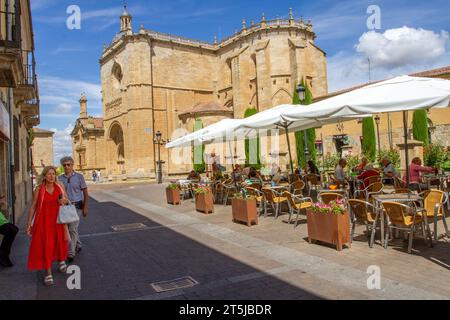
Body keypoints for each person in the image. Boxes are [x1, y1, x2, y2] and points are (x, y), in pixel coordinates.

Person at [26, 166, 70, 286]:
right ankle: (48, 272)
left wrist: (63, 201)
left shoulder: (59, 186)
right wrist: (29, 224)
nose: (52, 176)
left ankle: (61, 259)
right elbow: (33, 207)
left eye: (53, 174)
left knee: (60, 242)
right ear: (44, 176)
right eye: (49, 174)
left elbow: (67, 200)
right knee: (47, 246)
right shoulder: (39, 189)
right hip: (44, 222)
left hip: (58, 221)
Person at [59, 156, 88, 263]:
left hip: (77, 206)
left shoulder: (79, 177)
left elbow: (85, 192)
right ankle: (78, 244)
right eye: (64, 165)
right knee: (71, 229)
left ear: (72, 165)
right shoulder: (60, 178)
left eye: (68, 164)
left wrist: (85, 207)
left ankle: (71, 253)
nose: (66, 166)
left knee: (72, 229)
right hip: (65, 208)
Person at [0, 195, 18, 267]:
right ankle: (3, 255)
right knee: (10, 230)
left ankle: (4, 254)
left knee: (14, 229)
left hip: (2, 220)